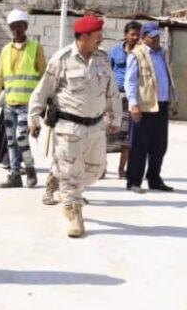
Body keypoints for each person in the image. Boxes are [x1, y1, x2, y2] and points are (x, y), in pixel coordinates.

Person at [28, 15, 120, 238]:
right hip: (68, 127)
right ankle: (75, 216)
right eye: (97, 36)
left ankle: (58, 176)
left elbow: (112, 91)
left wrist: (116, 117)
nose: (101, 39)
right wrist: (34, 117)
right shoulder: (62, 59)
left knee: (96, 170)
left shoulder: (103, 58)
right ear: (84, 37)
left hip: (96, 127)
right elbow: (43, 90)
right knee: (72, 176)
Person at [0, 9, 45, 189]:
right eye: (13, 27)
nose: (16, 30)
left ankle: (30, 168)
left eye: (20, 26)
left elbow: (45, 77)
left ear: (25, 26)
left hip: (28, 105)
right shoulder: (5, 50)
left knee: (21, 138)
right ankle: (15, 175)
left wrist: (44, 103)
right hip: (9, 104)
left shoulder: (36, 48)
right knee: (11, 141)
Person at [124, 21, 178, 193]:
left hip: (161, 106)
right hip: (143, 107)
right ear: (143, 37)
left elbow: (167, 77)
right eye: (152, 37)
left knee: (159, 146)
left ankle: (154, 179)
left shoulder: (162, 53)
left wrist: (174, 98)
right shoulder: (136, 55)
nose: (156, 40)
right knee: (139, 146)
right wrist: (133, 104)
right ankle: (134, 181)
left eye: (157, 37)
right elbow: (130, 82)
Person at [107, 20, 142, 178]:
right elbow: (107, 72)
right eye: (132, 34)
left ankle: (122, 169)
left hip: (132, 100)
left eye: (137, 35)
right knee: (107, 132)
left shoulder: (142, 54)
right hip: (114, 97)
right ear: (125, 35)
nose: (135, 37)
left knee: (128, 136)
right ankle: (101, 167)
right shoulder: (114, 52)